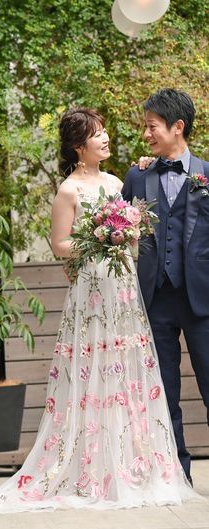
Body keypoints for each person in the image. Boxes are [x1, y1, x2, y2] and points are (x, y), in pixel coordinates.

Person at [0, 107, 202, 514]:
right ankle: (92, 469)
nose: (106, 138)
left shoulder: (118, 182)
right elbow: (60, 244)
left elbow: (138, 228)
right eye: (97, 134)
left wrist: (126, 231)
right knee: (95, 370)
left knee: (127, 369)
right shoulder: (68, 190)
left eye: (104, 131)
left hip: (124, 289)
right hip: (93, 290)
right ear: (78, 146)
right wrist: (101, 237)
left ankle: (132, 465)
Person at [122, 89, 209, 485]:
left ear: (178, 127)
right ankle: (177, 477)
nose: (146, 134)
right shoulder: (138, 176)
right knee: (163, 392)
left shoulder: (206, 174)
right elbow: (118, 226)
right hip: (154, 299)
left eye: (152, 126)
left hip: (202, 301)